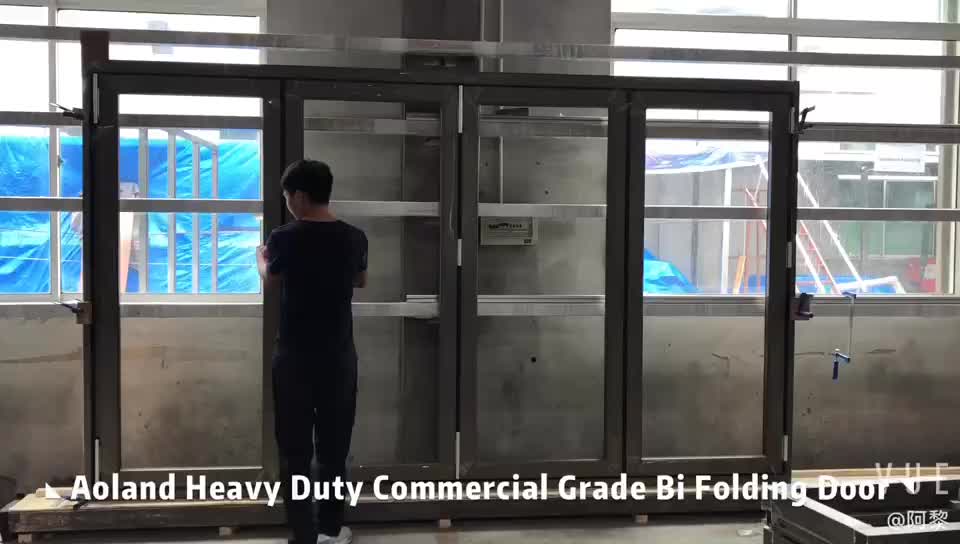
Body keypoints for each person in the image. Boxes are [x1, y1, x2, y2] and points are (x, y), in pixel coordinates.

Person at [257, 159, 367, 544]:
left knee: (295, 450)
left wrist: (260, 257)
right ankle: (331, 530)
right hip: (338, 358)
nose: (288, 203)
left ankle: (304, 534)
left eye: (288, 196)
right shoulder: (354, 237)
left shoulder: (283, 238)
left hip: (294, 360)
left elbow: (271, 279)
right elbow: (361, 280)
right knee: (334, 449)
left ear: (300, 196)